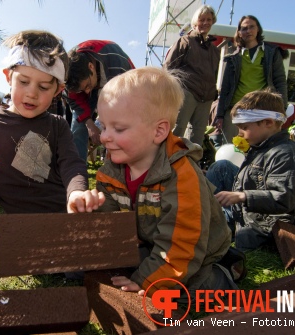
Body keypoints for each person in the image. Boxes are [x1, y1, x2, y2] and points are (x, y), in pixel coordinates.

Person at [93, 67, 238, 300]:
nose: (104, 137)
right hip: (155, 242)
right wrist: (90, 209)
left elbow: (182, 247)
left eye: (118, 129)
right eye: (103, 126)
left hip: (196, 252)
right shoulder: (111, 171)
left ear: (159, 131)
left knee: (187, 288)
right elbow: (109, 226)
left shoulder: (182, 177)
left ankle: (223, 275)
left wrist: (144, 283)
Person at [0, 30, 104, 214]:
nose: (32, 93)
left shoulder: (57, 125)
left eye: (43, 87)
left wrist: (76, 193)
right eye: (23, 81)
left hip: (63, 215)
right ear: (8, 77)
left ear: (58, 90)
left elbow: (72, 164)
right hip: (18, 225)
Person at [209, 89, 295, 252]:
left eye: (244, 127)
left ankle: (211, 222)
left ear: (268, 122)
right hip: (251, 213)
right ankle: (210, 215)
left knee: (209, 227)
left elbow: (284, 198)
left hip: (268, 228)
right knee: (221, 167)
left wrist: (242, 196)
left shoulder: (286, 155)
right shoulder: (262, 147)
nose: (240, 132)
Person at [213, 15, 289, 146]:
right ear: (239, 33)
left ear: (258, 29)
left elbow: (280, 81)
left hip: (261, 110)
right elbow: (225, 87)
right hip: (235, 110)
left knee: (258, 148)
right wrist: (219, 115)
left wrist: (283, 107)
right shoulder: (233, 57)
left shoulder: (271, 52)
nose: (248, 31)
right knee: (232, 147)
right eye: (244, 28)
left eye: (251, 27)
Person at [63, 40, 135, 163]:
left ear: (91, 67)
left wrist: (107, 128)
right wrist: (90, 124)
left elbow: (124, 105)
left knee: (119, 130)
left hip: (123, 92)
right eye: (82, 90)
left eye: (87, 86)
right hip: (100, 84)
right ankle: (76, 172)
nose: (87, 92)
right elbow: (75, 100)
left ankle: (117, 168)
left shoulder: (116, 63)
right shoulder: (67, 72)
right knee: (78, 128)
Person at [163, 5, 220, 146]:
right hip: (186, 92)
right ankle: (165, 163)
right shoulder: (185, 41)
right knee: (177, 128)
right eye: (202, 19)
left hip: (206, 98)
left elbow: (216, 74)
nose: (205, 23)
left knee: (197, 136)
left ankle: (191, 166)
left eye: (209, 19)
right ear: (195, 23)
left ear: (213, 22)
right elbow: (168, 68)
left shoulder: (215, 50)